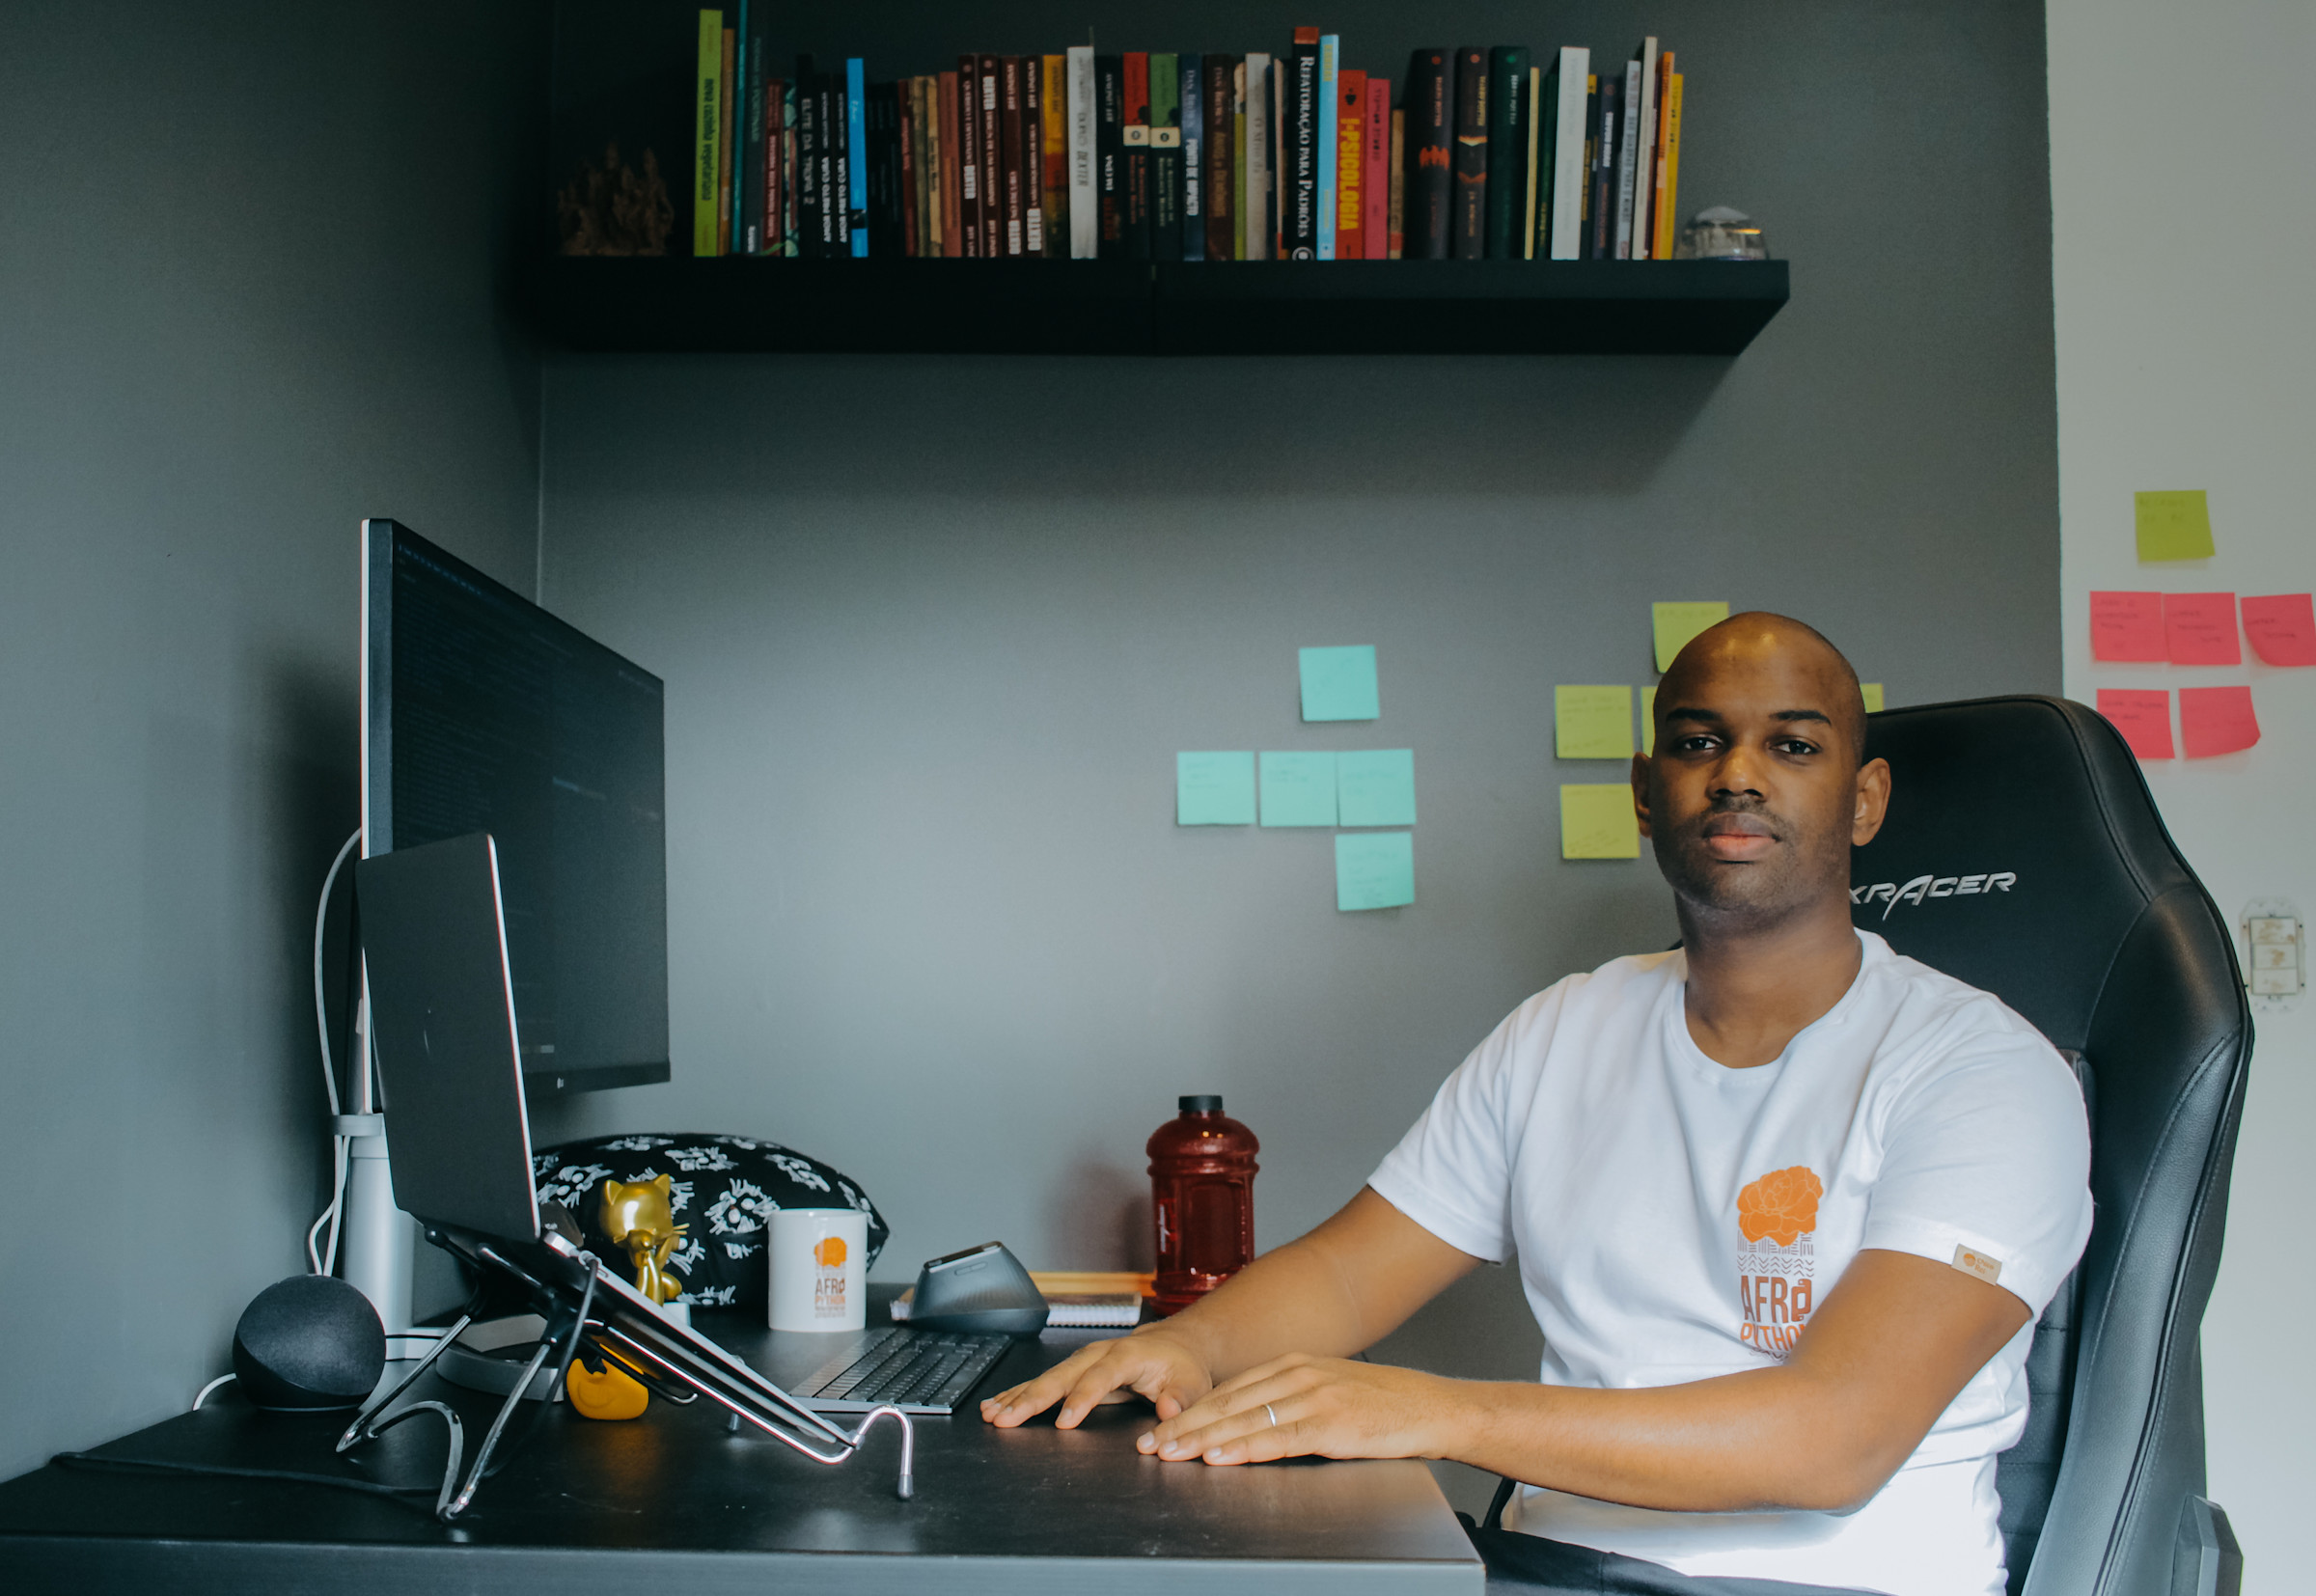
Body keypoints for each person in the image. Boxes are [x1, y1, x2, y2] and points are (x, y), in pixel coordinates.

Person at [984, 614, 2092, 1596]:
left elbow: (1834, 1438)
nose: (1738, 774)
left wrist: (1436, 1411)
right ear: (1646, 792)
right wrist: (1193, 1349)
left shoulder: (1983, 1069)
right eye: (1699, 741)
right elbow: (1348, 1270)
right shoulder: (1568, 1027)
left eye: (1791, 744)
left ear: (1864, 800)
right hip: (1544, 1566)